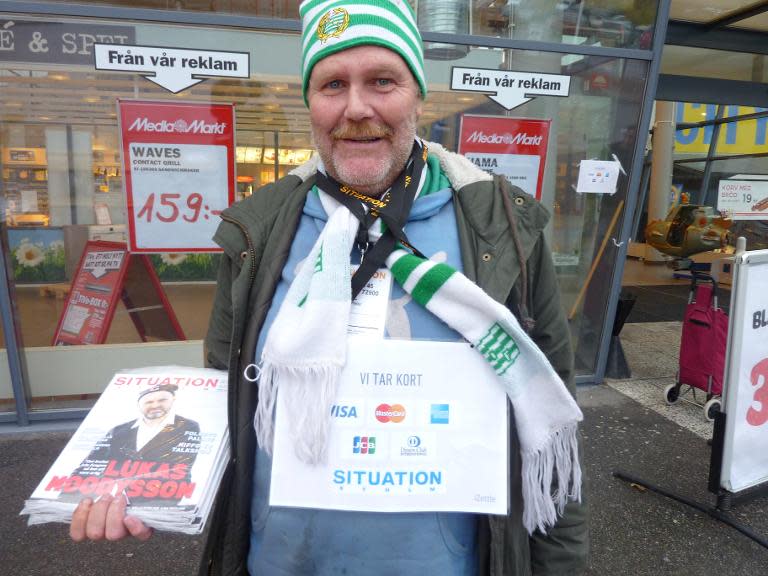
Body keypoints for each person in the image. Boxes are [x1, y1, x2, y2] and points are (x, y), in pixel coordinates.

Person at [71, 1, 589, 573]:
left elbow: (552, 422)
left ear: (418, 94)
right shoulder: (258, 231)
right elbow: (224, 404)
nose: (356, 108)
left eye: (382, 82)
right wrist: (139, 484)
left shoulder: (504, 228)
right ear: (310, 103)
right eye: (332, 85)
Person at [69, 384, 200, 540]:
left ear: (173, 400)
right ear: (139, 405)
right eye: (148, 402)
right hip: (110, 496)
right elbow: (91, 462)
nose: (155, 405)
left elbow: (178, 470)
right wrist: (72, 492)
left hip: (159, 499)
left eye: (162, 400)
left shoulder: (188, 426)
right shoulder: (119, 430)